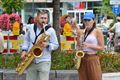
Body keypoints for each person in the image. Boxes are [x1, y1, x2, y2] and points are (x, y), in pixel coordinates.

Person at [21, 10, 59, 80]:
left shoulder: (50, 30)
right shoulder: (31, 27)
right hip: (31, 59)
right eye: (41, 18)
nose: (43, 20)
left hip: (44, 60)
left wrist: (47, 45)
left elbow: (56, 45)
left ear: (47, 19)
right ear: (37, 18)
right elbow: (26, 40)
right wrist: (24, 50)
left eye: (45, 18)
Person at [77, 12, 104, 80]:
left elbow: (101, 48)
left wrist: (89, 45)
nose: (87, 22)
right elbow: (79, 45)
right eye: (85, 20)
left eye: (89, 20)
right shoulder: (83, 31)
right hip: (82, 58)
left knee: (95, 77)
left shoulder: (97, 31)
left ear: (93, 21)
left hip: (92, 58)